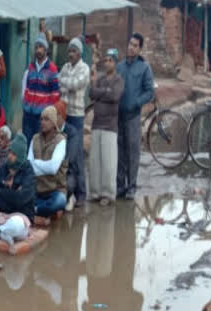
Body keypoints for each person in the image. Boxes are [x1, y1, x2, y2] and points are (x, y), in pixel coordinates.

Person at [117, 32, 154, 200]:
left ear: (140, 49)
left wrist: (136, 103)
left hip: (133, 117)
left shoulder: (144, 68)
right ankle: (120, 185)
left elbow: (149, 92)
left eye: (135, 45)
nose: (130, 47)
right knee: (120, 152)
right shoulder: (120, 66)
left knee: (133, 152)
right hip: (119, 116)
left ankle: (132, 186)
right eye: (129, 44)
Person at [89, 49, 125, 206]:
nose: (107, 63)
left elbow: (115, 96)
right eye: (106, 60)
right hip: (97, 123)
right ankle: (95, 192)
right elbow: (91, 92)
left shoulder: (118, 80)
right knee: (95, 160)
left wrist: (100, 93)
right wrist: (103, 92)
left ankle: (108, 194)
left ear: (116, 63)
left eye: (110, 60)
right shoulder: (101, 79)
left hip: (110, 125)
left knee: (108, 161)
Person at [27, 105, 67, 218]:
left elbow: (53, 168)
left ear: (54, 122)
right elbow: (29, 166)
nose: (42, 122)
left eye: (46, 119)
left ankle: (35, 209)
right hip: (37, 190)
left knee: (60, 201)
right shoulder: (35, 138)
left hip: (54, 191)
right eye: (41, 119)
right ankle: (43, 210)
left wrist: (37, 163)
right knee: (20, 195)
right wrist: (42, 166)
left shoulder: (61, 141)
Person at [22, 33, 60, 145]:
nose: (38, 50)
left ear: (46, 50)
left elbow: (55, 95)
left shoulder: (52, 69)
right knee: (27, 144)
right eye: (36, 47)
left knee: (39, 145)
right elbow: (26, 89)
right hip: (28, 115)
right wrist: (25, 106)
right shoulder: (31, 67)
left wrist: (49, 116)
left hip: (42, 117)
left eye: (41, 47)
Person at [54, 100, 85, 211]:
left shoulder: (72, 132)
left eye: (56, 115)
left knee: (69, 184)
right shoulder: (49, 129)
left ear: (62, 117)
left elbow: (70, 158)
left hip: (67, 171)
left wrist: (54, 163)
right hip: (51, 170)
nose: (53, 118)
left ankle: (69, 197)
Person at [59, 37, 90, 134]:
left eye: (74, 51)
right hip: (63, 113)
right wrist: (68, 83)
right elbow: (58, 84)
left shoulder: (84, 68)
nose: (71, 54)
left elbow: (75, 84)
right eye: (69, 51)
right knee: (63, 143)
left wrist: (63, 81)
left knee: (75, 145)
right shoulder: (66, 66)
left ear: (79, 53)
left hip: (76, 115)